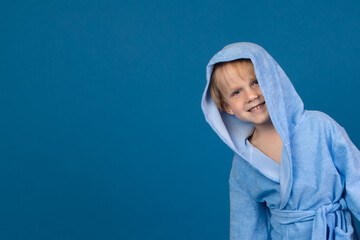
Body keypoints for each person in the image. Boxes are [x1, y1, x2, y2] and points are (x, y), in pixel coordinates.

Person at [201, 42, 360, 239]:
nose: (252, 95)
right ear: (227, 108)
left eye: (256, 82)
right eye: (236, 92)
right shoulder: (244, 164)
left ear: (273, 80)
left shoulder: (320, 126)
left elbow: (357, 181)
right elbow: (246, 227)